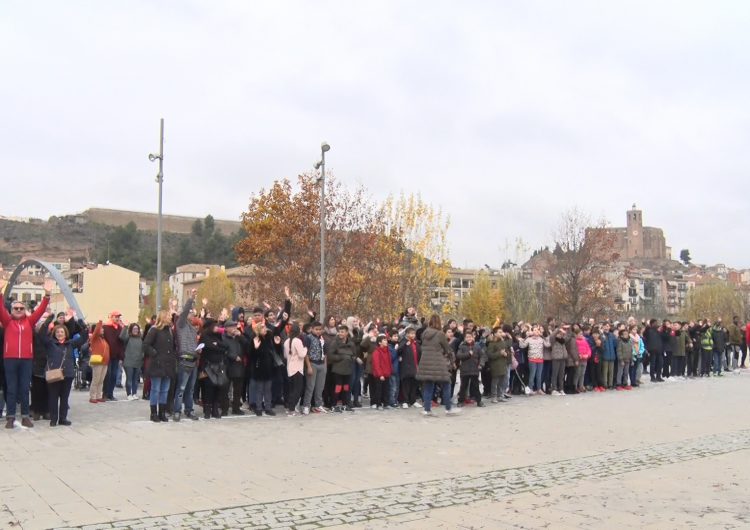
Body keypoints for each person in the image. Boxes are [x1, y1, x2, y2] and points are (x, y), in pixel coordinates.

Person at [1, 286, 50, 429]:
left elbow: (41, 310)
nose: (18, 310)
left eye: (21, 308)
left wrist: (47, 295)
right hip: (10, 359)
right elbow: (0, 309)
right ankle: (10, 417)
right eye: (15, 308)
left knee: (23, 389)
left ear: (25, 310)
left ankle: (25, 416)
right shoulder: (7, 322)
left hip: (26, 359)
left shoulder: (29, 322)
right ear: (11, 310)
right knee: (11, 389)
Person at [43, 323, 87, 426]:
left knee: (64, 398)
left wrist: (76, 322)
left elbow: (84, 336)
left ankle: (63, 418)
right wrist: (47, 324)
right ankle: (53, 419)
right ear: (54, 333)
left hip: (67, 374)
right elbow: (41, 335)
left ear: (65, 333)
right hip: (54, 375)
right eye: (57, 332)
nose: (59, 334)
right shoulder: (50, 343)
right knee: (53, 398)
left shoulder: (70, 343)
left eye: (62, 332)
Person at [416, 314, 460, 416]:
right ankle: (448, 408)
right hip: (438, 363)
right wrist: (451, 357)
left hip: (425, 362)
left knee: (428, 386)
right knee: (446, 383)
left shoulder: (425, 333)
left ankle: (427, 410)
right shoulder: (440, 334)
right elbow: (447, 348)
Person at [143, 310, 176, 422]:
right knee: (155, 389)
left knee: (165, 390)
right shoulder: (154, 330)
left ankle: (162, 412)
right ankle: (153, 413)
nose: (170, 318)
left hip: (168, 364)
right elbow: (146, 345)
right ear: (163, 317)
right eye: (168, 316)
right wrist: (154, 354)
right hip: (157, 364)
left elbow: (172, 347)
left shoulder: (170, 331)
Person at [327, 324, 356, 412]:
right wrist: (341, 358)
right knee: (338, 387)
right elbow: (330, 355)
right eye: (339, 332)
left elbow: (354, 354)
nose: (340, 333)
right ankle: (333, 405)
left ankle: (345, 404)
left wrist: (351, 359)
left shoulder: (351, 343)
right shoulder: (335, 343)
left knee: (346, 387)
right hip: (338, 369)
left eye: (342, 332)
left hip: (348, 369)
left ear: (347, 333)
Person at [222, 320, 248, 416]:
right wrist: (233, 356)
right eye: (232, 326)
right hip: (228, 366)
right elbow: (223, 350)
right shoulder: (223, 338)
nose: (234, 328)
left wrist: (240, 336)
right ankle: (224, 409)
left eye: (235, 326)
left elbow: (247, 345)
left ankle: (236, 408)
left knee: (238, 389)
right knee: (225, 389)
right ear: (226, 328)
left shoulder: (239, 337)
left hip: (239, 366)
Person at [456, 330, 487, 406]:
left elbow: (483, 356)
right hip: (465, 370)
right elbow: (459, 355)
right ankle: (460, 401)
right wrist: (468, 354)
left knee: (476, 386)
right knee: (463, 386)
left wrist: (481, 364)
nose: (469, 338)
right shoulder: (462, 346)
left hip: (474, 369)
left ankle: (479, 401)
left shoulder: (477, 346)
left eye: (470, 337)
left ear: (473, 337)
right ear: (464, 338)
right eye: (467, 337)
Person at [302, 321, 327, 415]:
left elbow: (325, 352)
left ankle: (318, 405)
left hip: (321, 364)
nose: (318, 331)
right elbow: (306, 353)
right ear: (312, 329)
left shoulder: (321, 338)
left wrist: (325, 366)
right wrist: (308, 366)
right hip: (312, 364)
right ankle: (306, 406)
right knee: (310, 387)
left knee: (320, 387)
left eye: (320, 329)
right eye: (316, 329)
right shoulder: (308, 338)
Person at [283, 323, 307, 415]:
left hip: (290, 368)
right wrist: (305, 348)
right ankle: (291, 409)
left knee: (292, 389)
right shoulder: (297, 341)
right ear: (298, 332)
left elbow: (285, 356)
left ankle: (289, 407)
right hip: (297, 369)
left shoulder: (286, 341)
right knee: (298, 390)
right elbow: (302, 355)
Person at [102, 311, 124, 401]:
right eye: (116, 317)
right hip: (107, 355)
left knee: (114, 375)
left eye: (118, 317)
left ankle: (110, 393)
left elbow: (122, 341)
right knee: (108, 374)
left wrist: (121, 355)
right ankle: (105, 394)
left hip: (116, 355)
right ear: (111, 317)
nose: (118, 318)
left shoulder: (119, 328)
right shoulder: (106, 327)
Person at [398, 327, 421, 408]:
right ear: (407, 334)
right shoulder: (403, 341)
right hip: (406, 367)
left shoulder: (416, 343)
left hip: (415, 366)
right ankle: (404, 401)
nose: (413, 335)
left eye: (414, 334)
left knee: (414, 384)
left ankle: (413, 400)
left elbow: (419, 354)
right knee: (405, 385)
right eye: (411, 333)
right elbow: (398, 351)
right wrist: (405, 345)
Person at [120, 323, 144, 400]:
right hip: (128, 362)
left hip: (138, 362)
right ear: (131, 329)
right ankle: (129, 394)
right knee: (129, 379)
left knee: (135, 379)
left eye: (137, 329)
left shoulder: (140, 338)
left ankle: (134, 393)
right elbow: (121, 337)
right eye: (134, 329)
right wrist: (125, 327)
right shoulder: (128, 337)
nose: (136, 330)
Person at [370, 334, 392, 410]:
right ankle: (378, 404)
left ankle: (386, 403)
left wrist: (389, 372)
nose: (386, 341)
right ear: (379, 342)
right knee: (378, 390)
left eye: (386, 340)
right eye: (384, 340)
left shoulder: (388, 351)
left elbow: (389, 362)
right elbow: (376, 365)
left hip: (387, 374)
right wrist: (380, 375)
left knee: (386, 389)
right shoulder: (376, 352)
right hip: (379, 375)